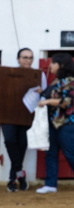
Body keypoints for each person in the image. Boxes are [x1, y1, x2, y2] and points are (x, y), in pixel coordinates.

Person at [35, 53, 74, 194]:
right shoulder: (55, 81)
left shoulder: (70, 81)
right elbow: (54, 95)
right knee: (50, 153)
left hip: (70, 122)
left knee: (69, 152)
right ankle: (50, 185)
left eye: (53, 63)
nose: (50, 65)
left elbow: (68, 102)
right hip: (55, 122)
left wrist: (47, 101)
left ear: (62, 65)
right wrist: (42, 93)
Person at [3, 47, 40, 191]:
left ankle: (12, 179)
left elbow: (42, 94)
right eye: (25, 57)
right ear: (18, 59)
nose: (28, 60)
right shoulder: (7, 74)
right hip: (8, 115)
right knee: (10, 141)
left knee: (21, 146)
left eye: (30, 58)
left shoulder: (37, 75)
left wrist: (41, 92)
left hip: (27, 116)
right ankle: (20, 173)